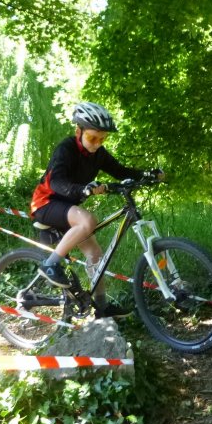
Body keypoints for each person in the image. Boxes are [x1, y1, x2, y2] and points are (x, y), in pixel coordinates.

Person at [29, 101, 162, 318]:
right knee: (88, 221)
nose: (97, 144)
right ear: (78, 131)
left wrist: (147, 175)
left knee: (95, 254)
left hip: (68, 208)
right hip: (46, 203)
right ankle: (50, 265)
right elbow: (56, 182)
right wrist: (83, 190)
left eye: (102, 139)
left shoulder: (98, 154)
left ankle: (101, 307)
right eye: (92, 138)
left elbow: (120, 171)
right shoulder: (66, 148)